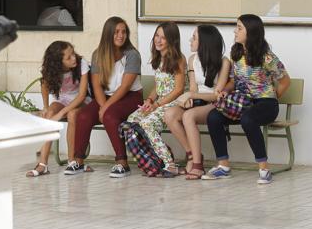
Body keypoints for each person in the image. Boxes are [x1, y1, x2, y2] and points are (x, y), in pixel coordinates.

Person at [204, 14, 290, 184]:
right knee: (213, 117)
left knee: (248, 119)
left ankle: (264, 169)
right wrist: (224, 91)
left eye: (239, 28)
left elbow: (285, 81)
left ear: (251, 32)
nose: (235, 31)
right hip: (243, 102)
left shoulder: (267, 57)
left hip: (266, 104)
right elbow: (234, 81)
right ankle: (223, 166)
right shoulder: (236, 54)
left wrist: (272, 96)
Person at [65, 16, 143, 178]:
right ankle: (78, 161)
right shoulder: (98, 54)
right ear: (108, 34)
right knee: (84, 115)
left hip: (131, 97)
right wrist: (102, 105)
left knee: (109, 116)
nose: (121, 35)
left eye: (124, 32)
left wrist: (106, 108)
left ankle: (122, 163)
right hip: (106, 96)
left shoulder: (132, 55)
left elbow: (125, 86)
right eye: (116, 32)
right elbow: (97, 86)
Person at [164, 25, 230, 180]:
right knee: (170, 114)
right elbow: (193, 87)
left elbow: (216, 95)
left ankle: (198, 166)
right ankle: (192, 154)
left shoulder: (224, 62)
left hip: (213, 105)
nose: (190, 40)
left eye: (194, 37)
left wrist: (190, 94)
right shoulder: (193, 60)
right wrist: (190, 99)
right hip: (197, 101)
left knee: (188, 117)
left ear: (205, 42)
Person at [121, 22, 186, 177]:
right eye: (157, 36)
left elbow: (178, 89)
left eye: (163, 38)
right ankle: (154, 160)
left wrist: (157, 104)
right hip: (159, 103)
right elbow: (158, 87)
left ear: (172, 40)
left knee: (147, 124)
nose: (158, 40)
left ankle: (170, 164)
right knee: (132, 121)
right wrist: (149, 100)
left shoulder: (178, 59)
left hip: (174, 103)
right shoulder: (159, 58)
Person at [26, 41, 91, 177]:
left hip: (82, 100)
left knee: (72, 114)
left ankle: (72, 161)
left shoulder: (82, 64)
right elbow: (44, 86)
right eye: (68, 57)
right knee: (49, 114)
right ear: (58, 62)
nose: (73, 58)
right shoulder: (50, 70)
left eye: (73, 53)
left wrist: (62, 112)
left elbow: (81, 95)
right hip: (62, 99)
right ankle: (43, 164)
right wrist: (45, 107)